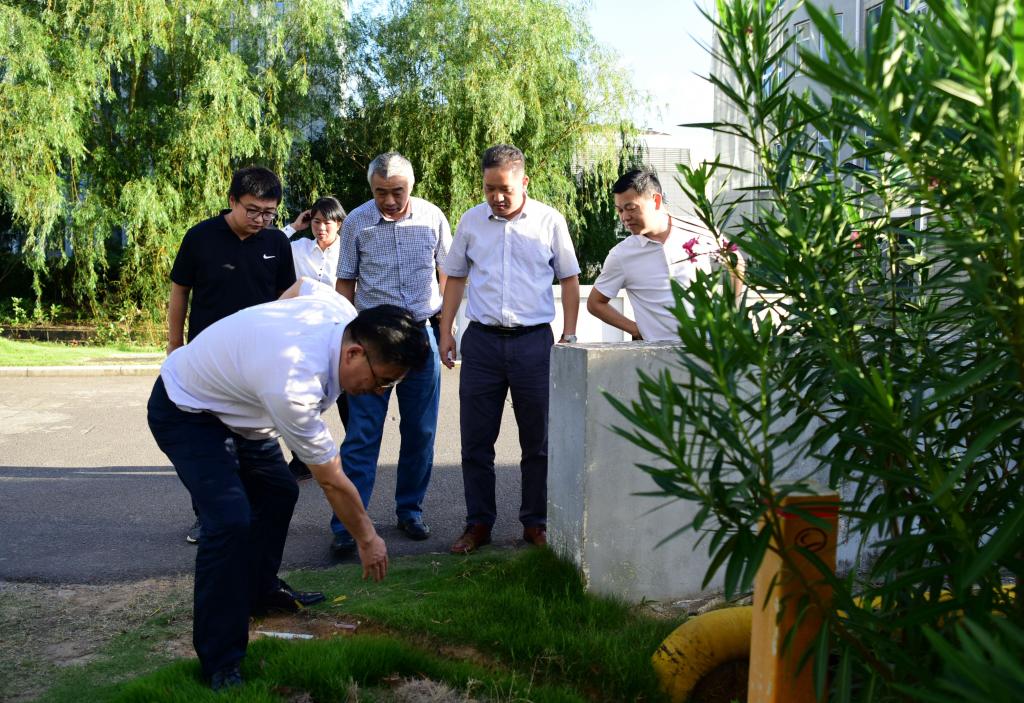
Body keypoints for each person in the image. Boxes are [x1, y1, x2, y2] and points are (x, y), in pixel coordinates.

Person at [147, 279, 430, 690]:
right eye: (381, 380)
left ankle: (259, 592)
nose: (377, 391)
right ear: (354, 353)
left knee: (279, 491)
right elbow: (332, 480)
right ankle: (220, 660)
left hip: (244, 412)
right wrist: (368, 539)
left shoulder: (341, 313)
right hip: (188, 409)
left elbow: (301, 286)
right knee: (228, 521)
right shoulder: (294, 382)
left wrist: (265, 331)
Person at [438, 144, 580, 554]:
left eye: (505, 189)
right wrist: (446, 331)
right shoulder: (471, 221)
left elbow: (569, 279)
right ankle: (478, 523)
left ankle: (536, 523)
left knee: (539, 442)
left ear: (524, 182)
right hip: (481, 343)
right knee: (475, 441)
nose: (497, 197)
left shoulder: (549, 221)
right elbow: (456, 278)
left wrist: (569, 334)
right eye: (489, 188)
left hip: (534, 343)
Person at [330, 152, 452, 556]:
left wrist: (446, 327)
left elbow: (449, 274)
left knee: (421, 430)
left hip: (420, 336)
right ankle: (348, 524)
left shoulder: (432, 218)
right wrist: (343, 338)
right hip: (370, 340)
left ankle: (410, 510)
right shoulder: (356, 222)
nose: (388, 200)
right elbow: (345, 283)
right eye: (380, 192)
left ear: (411, 186)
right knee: (362, 434)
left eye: (396, 191)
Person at [166, 166, 297, 544]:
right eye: (252, 210)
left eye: (269, 213)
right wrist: (175, 345)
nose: (260, 220)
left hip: (258, 362)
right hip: (206, 362)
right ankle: (207, 516)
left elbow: (286, 299)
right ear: (232, 201)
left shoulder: (277, 243)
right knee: (208, 443)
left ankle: (246, 513)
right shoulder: (201, 237)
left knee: (252, 439)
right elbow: (180, 291)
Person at [586, 169, 745, 342]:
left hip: (707, 349)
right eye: (620, 211)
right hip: (656, 355)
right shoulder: (621, 255)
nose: (624, 217)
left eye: (630, 208)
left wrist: (731, 314)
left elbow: (735, 261)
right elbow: (595, 303)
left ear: (656, 200)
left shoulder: (697, 230)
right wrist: (635, 329)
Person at [283, 196, 350, 480]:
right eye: (316, 222)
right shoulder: (298, 249)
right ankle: (302, 460)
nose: (321, 228)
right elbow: (267, 245)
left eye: (328, 223)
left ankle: (353, 456)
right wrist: (293, 227)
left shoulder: (349, 251)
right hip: (305, 334)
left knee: (348, 396)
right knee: (301, 396)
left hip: (341, 333)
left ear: (339, 224)